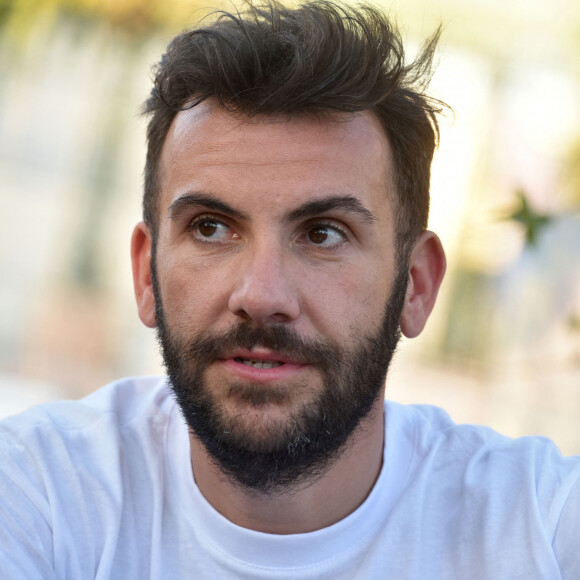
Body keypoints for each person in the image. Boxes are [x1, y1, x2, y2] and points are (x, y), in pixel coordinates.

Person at [1, 1, 578, 578]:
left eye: (323, 233)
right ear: (145, 273)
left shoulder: (539, 527)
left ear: (416, 286)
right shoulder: (38, 494)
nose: (261, 293)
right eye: (211, 228)